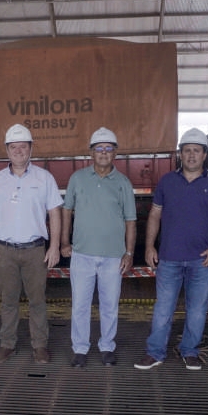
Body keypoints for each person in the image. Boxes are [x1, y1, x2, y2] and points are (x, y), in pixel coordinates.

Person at [134, 128, 208, 371]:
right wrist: (149, 247)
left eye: (196, 151)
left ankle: (190, 351)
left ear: (204, 155)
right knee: (163, 309)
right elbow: (155, 214)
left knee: (197, 310)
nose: (191, 155)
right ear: (180, 154)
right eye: (186, 150)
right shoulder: (168, 181)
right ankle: (155, 352)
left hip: (202, 260)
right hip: (169, 258)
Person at [0, 124, 63, 364]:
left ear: (30, 149)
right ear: (7, 150)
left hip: (35, 251)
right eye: (13, 147)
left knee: (37, 301)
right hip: (5, 251)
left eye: (22, 147)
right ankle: (7, 344)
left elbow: (55, 213)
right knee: (8, 301)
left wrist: (54, 246)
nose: (18, 151)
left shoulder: (44, 178)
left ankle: (39, 346)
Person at [60, 127, 136, 368]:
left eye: (108, 148)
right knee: (80, 305)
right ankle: (80, 349)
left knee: (109, 305)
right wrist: (64, 242)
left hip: (113, 256)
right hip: (82, 254)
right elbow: (67, 211)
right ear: (91, 152)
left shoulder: (123, 183)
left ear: (115, 153)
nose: (103, 153)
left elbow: (130, 220)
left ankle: (107, 347)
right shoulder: (77, 179)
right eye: (99, 149)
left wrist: (129, 252)